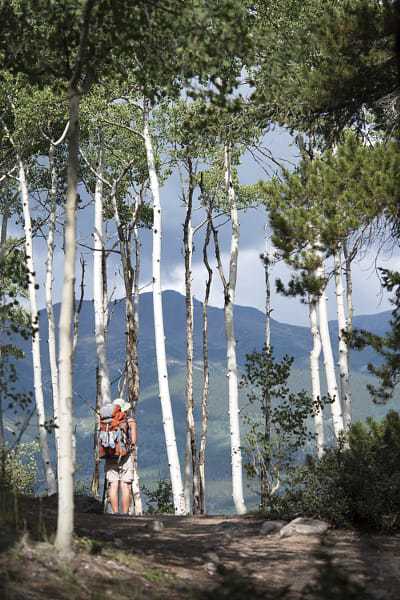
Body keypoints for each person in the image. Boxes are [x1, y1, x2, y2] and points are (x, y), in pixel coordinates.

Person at [105, 397, 137, 515]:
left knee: (113, 485)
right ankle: (125, 514)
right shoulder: (130, 421)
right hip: (125, 456)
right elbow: (133, 441)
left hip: (110, 455)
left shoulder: (107, 421)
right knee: (125, 486)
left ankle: (115, 513)